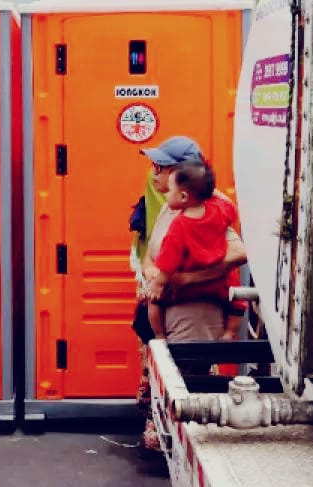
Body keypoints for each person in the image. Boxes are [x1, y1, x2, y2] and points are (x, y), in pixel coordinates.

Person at [131, 136, 247, 455]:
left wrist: (184, 279)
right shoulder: (174, 204)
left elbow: (237, 254)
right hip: (167, 307)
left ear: (182, 174)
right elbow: (154, 246)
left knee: (185, 379)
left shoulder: (211, 206)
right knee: (164, 374)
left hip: (192, 312)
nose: (154, 174)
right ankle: (167, 436)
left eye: (160, 168)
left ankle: (181, 444)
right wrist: (151, 268)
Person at [144, 160, 243, 340]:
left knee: (153, 301)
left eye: (170, 191)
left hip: (185, 291)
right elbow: (231, 209)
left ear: (183, 197)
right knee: (237, 301)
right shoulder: (217, 210)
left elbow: (167, 261)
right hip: (216, 284)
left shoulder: (179, 225)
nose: (166, 195)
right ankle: (231, 332)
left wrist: (158, 284)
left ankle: (159, 337)